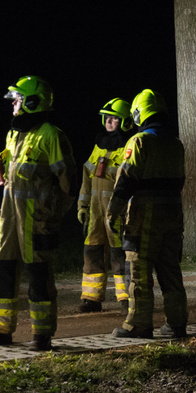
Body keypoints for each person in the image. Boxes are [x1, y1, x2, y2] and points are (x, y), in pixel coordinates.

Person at [0, 76, 75, 351]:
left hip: (36, 221)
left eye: (17, 100)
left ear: (32, 102)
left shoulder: (52, 135)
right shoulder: (15, 133)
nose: (13, 105)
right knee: (2, 270)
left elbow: (69, 183)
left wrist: (53, 216)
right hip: (10, 219)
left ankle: (42, 334)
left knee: (39, 275)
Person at [106, 89, 188, 339]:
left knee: (139, 272)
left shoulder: (139, 141)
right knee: (170, 271)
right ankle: (177, 324)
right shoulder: (175, 143)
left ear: (140, 114)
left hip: (144, 216)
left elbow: (126, 182)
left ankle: (139, 325)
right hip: (173, 215)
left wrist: (112, 213)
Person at [77, 98, 133, 313]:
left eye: (114, 119)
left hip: (116, 213)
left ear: (125, 122)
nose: (109, 122)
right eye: (107, 118)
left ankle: (126, 297)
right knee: (92, 252)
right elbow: (86, 179)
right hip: (95, 213)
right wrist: (82, 207)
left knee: (120, 254)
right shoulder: (98, 145)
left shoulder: (128, 146)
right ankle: (91, 298)